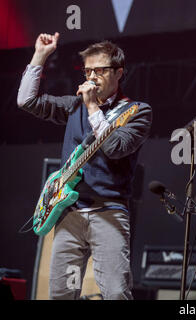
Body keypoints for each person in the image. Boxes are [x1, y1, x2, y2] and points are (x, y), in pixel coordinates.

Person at [17, 32, 152, 299]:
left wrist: (93, 108)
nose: (91, 77)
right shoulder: (73, 106)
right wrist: (40, 56)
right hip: (70, 212)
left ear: (119, 72)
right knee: (61, 293)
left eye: (99, 70)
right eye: (87, 70)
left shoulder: (136, 111)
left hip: (109, 212)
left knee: (116, 292)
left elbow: (114, 148)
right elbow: (26, 101)